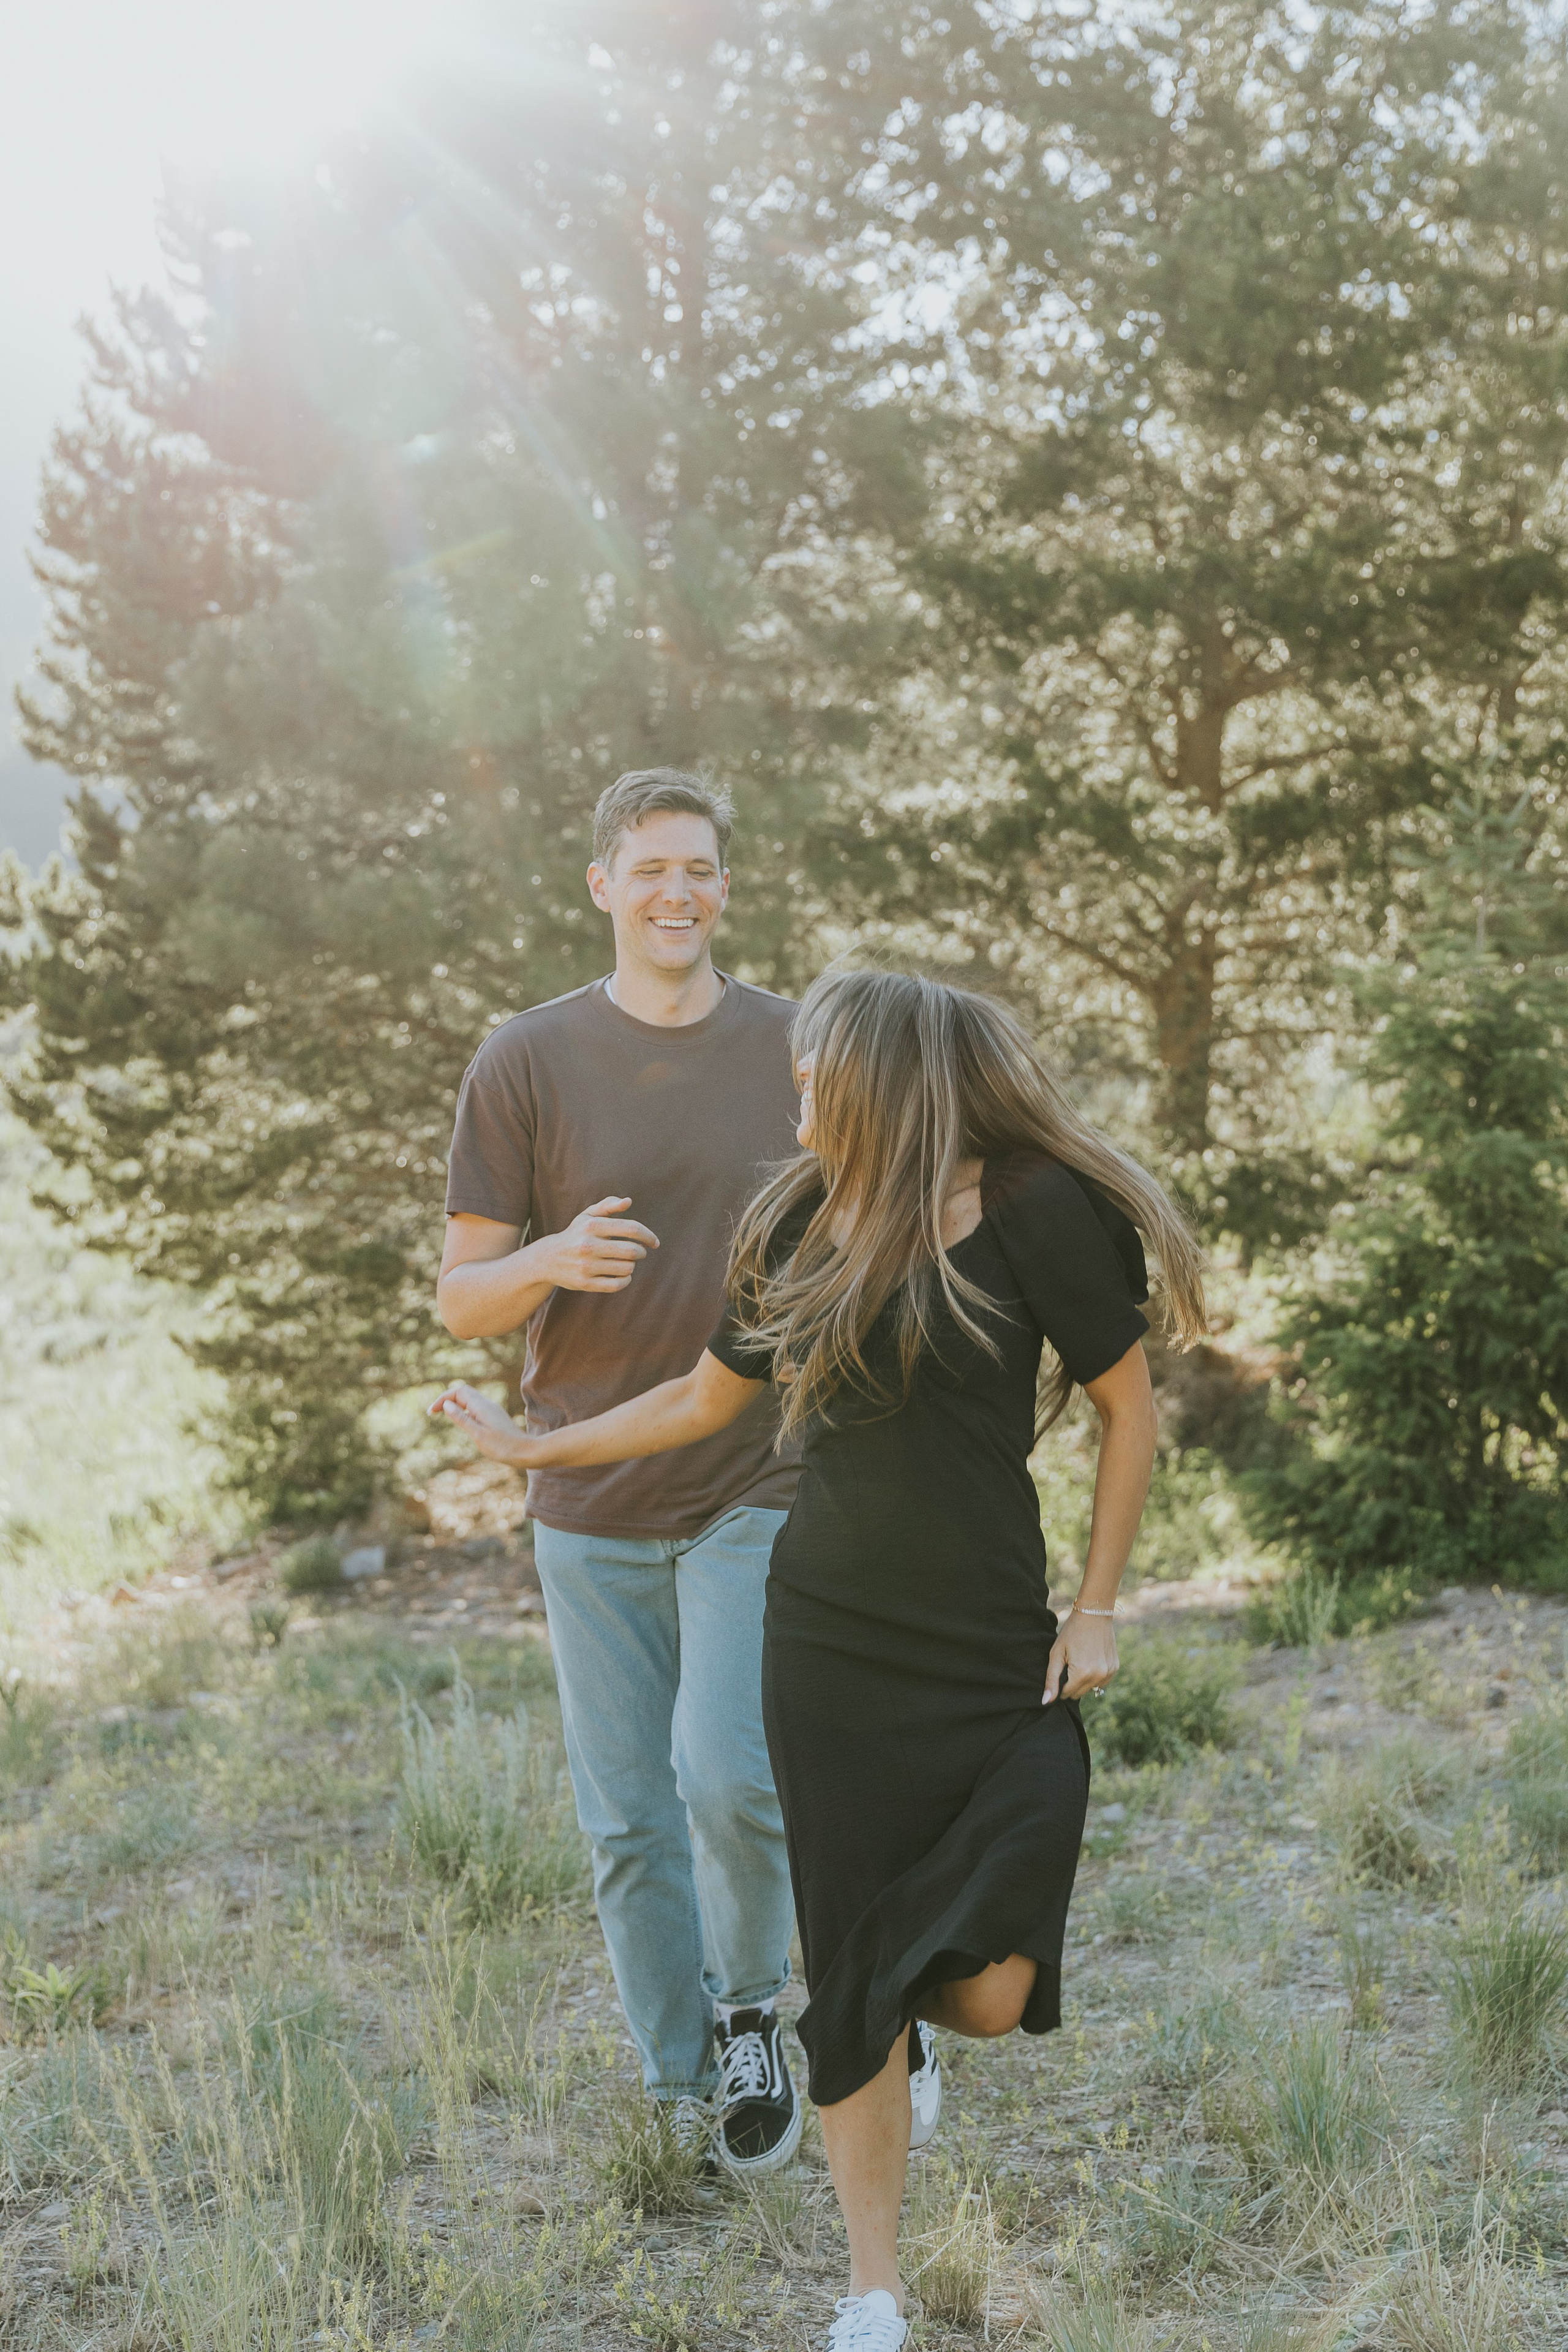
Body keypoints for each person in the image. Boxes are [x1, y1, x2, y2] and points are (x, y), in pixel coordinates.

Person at [434, 967, 1207, 2352]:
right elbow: (698, 1398)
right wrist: (536, 1448)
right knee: (851, 1961)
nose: (788, 1095)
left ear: (874, 1079)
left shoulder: (1034, 1205)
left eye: (807, 1073)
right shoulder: (792, 1214)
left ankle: (894, 2017)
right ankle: (871, 2291)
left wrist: (1094, 1607)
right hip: (827, 1643)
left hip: (987, 1649)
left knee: (984, 1989)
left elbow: (1126, 1411)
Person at [435, 767, 805, 2176]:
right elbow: (465, 1297)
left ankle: (750, 2017)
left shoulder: (791, 1046)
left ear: (723, 884)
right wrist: (547, 1261)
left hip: (753, 1477)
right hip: (585, 1493)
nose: (677, 893)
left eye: (699, 868)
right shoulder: (524, 1059)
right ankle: (675, 2087)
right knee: (627, 1821)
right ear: (602, 885)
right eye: (650, 868)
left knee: (725, 1776)